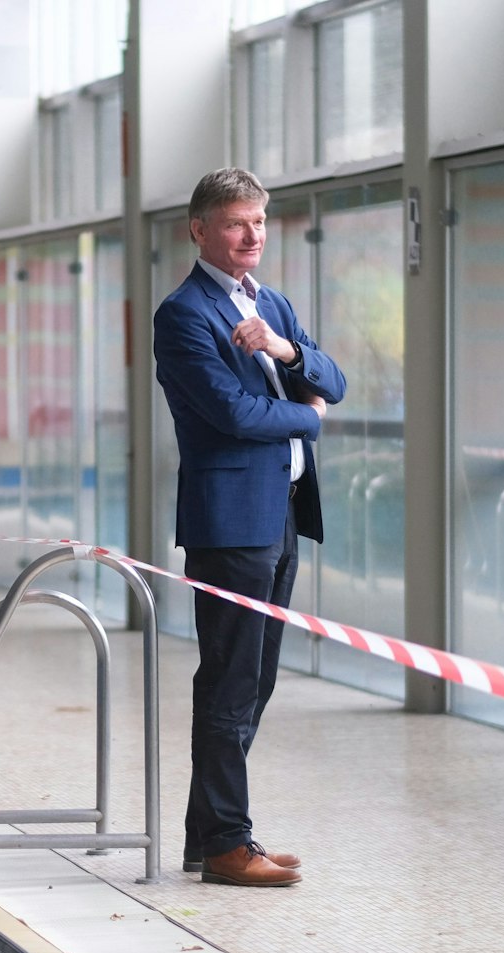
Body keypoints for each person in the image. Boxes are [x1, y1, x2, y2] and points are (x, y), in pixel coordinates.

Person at [152, 168, 345, 888]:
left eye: (259, 222)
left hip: (282, 513)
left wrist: (288, 351)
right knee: (231, 681)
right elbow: (235, 415)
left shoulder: (272, 307)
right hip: (232, 523)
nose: (252, 235)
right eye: (236, 223)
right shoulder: (184, 314)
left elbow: (333, 377)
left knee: (255, 679)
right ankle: (228, 842)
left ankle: (211, 837)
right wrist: (311, 418)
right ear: (200, 230)